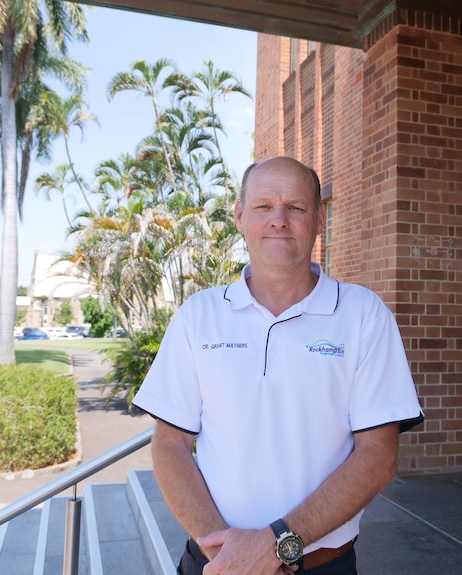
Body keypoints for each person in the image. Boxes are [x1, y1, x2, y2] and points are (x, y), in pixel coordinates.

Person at [132, 156, 424, 575]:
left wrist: (278, 546)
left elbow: (379, 454)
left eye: (296, 207)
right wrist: (230, 555)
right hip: (215, 563)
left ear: (319, 218)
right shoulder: (198, 316)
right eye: (263, 206)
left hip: (320, 566)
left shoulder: (363, 315)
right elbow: (170, 444)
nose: (279, 220)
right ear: (239, 216)